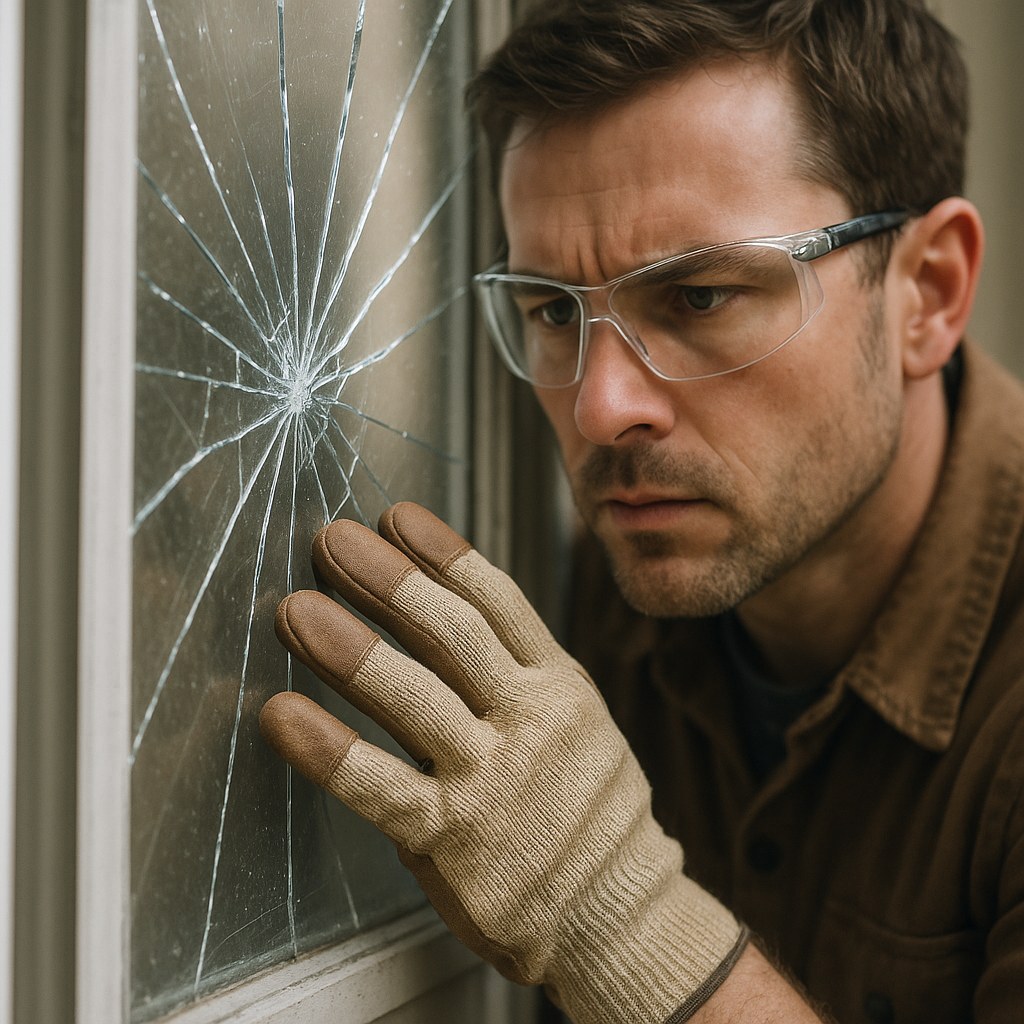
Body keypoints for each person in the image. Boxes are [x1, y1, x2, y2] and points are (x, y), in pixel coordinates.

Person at [260, 1, 1024, 1021]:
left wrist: (613, 914)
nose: (600, 406)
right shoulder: (582, 614)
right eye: (550, 311)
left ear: (928, 290)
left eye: (699, 296)